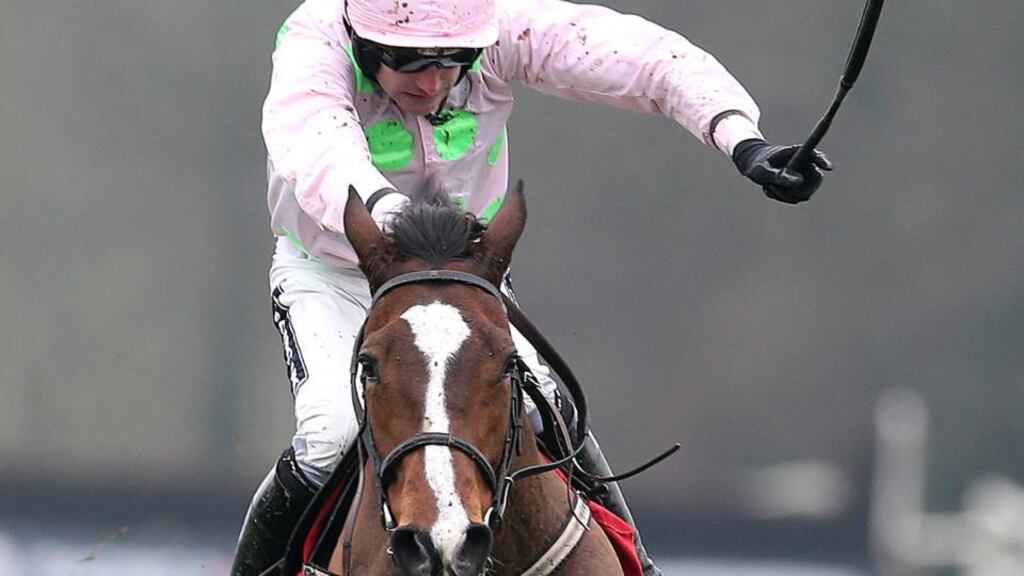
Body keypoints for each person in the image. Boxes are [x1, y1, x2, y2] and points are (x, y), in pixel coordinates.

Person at [232, 0, 832, 574]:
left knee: (552, 410)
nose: (434, 82)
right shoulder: (316, 40)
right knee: (330, 434)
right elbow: (314, 144)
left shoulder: (503, 27)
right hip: (338, 272)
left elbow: (644, 60)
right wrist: (394, 220)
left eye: (453, 60)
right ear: (364, 42)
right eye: (410, 63)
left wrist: (740, 139)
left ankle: (636, 565)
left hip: (462, 278)